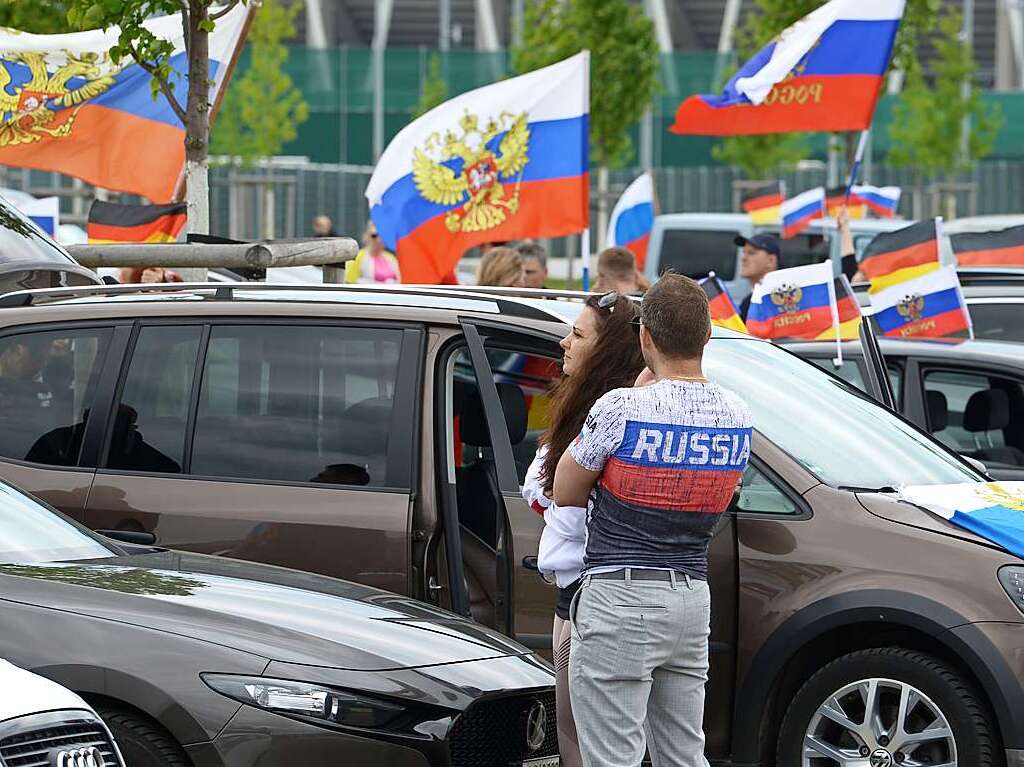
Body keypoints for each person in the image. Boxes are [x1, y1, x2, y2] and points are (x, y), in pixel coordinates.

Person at [553, 274, 752, 767]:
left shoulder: (621, 408)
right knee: (683, 753)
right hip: (690, 595)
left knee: (611, 756)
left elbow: (566, 486)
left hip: (619, 594)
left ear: (645, 337)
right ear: (706, 336)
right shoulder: (736, 412)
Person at [521, 291, 646, 767]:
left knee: (585, 736)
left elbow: (553, 491)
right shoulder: (588, 408)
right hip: (575, 592)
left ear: (607, 351)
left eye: (577, 334)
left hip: (588, 593)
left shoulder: (611, 414)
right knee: (576, 731)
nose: (563, 342)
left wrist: (553, 497)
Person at [734, 233, 780, 321]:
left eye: (751, 253)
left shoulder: (780, 302)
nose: (743, 258)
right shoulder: (748, 301)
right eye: (744, 252)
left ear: (771, 260)